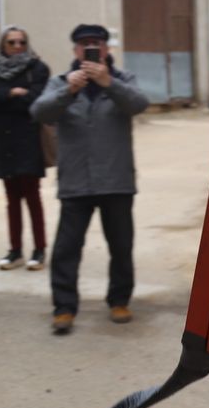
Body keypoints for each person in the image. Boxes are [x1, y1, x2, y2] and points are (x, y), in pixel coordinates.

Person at [31, 24, 150, 335]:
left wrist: (107, 82)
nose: (89, 49)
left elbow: (139, 104)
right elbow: (40, 112)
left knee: (121, 246)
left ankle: (119, 300)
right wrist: (69, 91)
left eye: (96, 44)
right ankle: (64, 308)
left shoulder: (122, 80)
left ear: (107, 50)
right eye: (84, 45)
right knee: (66, 249)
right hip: (76, 181)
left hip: (116, 180)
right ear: (75, 51)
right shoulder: (60, 82)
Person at [0, 26, 51, 272]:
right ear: (3, 45)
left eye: (21, 42)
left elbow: (35, 100)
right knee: (11, 198)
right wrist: (11, 92)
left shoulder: (37, 68)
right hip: (2, 139)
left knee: (32, 195)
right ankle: (15, 250)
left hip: (28, 137)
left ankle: (39, 249)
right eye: (12, 43)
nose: (17, 47)